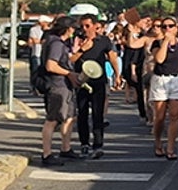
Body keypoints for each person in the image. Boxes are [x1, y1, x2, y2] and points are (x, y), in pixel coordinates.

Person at [73, 14, 122, 159]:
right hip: (81, 80)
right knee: (82, 113)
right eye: (82, 26)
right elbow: (71, 59)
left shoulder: (104, 40)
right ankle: (84, 143)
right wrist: (81, 49)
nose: (85, 29)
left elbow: (112, 57)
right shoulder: (77, 40)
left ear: (95, 26)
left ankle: (98, 144)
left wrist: (117, 75)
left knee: (97, 114)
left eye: (87, 26)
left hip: (99, 81)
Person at [39, 16, 82, 165]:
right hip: (58, 86)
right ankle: (47, 154)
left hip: (63, 86)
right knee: (53, 119)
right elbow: (51, 65)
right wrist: (69, 73)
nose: (74, 31)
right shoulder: (56, 44)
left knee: (69, 116)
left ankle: (66, 148)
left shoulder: (54, 42)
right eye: (73, 28)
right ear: (67, 28)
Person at [150, 16, 178, 161]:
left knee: (174, 116)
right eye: (164, 26)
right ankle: (157, 142)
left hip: (177, 79)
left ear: (176, 28)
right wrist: (166, 41)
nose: (167, 29)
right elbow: (159, 59)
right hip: (161, 79)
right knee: (160, 117)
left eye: (170, 26)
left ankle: (170, 147)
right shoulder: (157, 43)